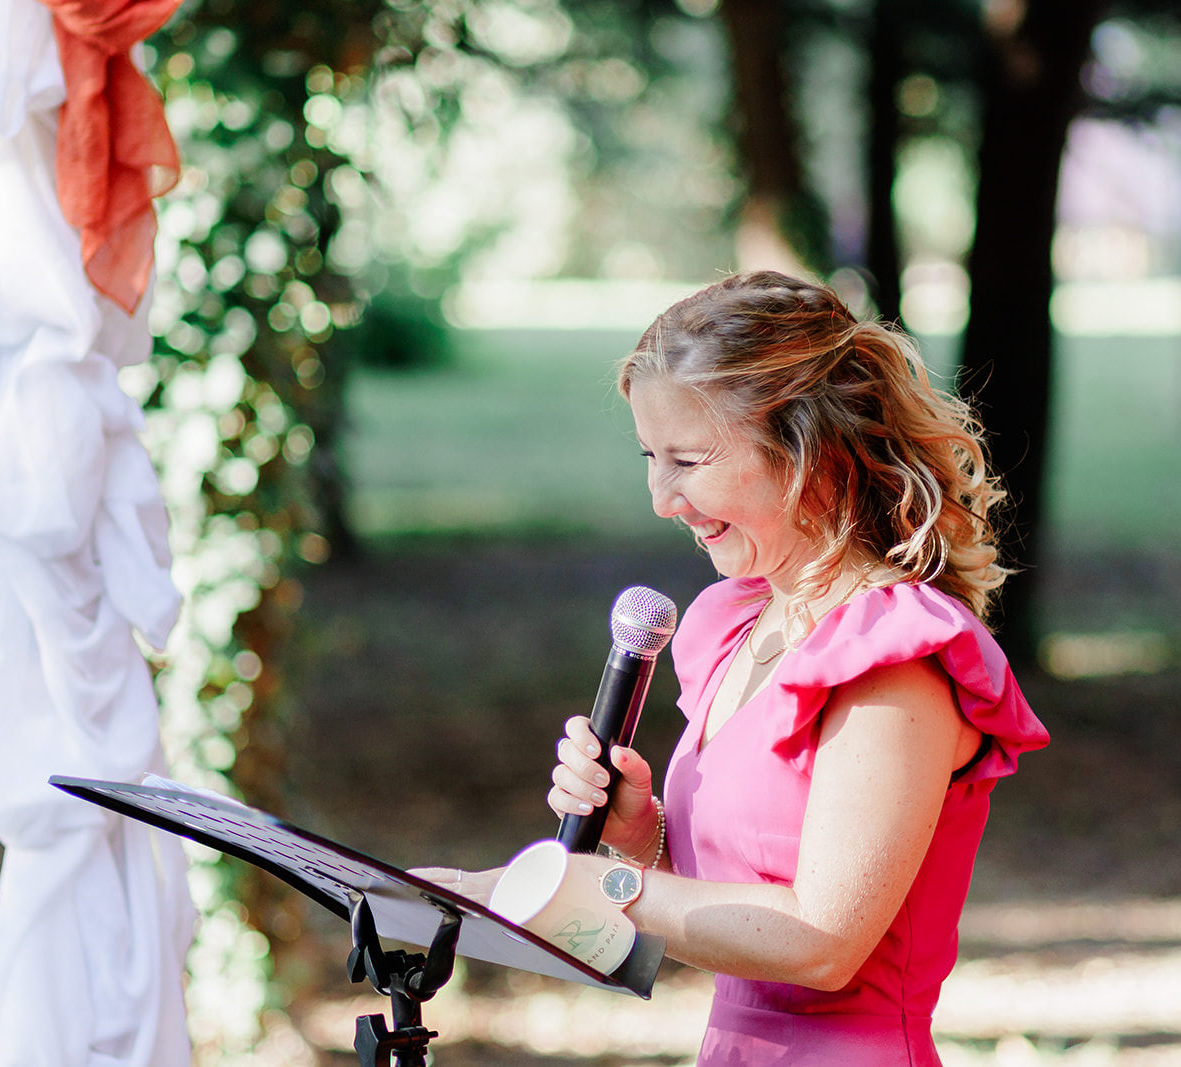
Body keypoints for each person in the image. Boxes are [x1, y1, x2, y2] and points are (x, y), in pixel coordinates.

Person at [440, 270, 1048, 1065]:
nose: (663, 497)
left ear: (810, 453)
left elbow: (821, 943)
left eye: (689, 459)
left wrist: (611, 888)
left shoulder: (893, 659)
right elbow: (731, 899)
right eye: (651, 457)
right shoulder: (733, 624)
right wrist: (638, 831)